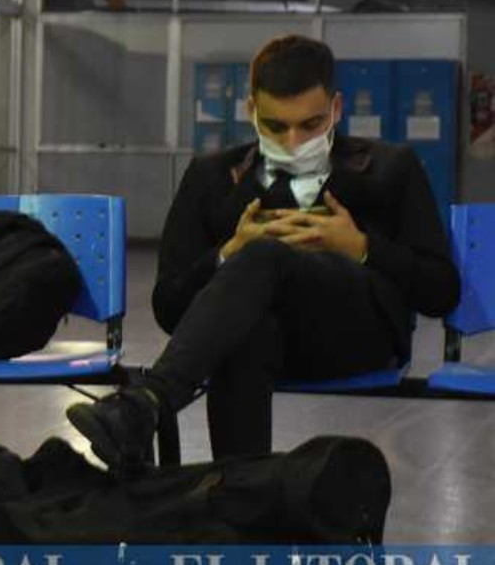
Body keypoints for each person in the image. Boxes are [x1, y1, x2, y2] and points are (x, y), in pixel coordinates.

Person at [67, 35, 460, 469]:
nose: (293, 141)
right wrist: (225, 253)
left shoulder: (391, 169)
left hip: (356, 337)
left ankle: (150, 400)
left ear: (336, 109)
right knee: (247, 327)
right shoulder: (211, 177)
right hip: (256, 341)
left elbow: (441, 291)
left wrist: (362, 247)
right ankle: (240, 501)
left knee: (264, 255)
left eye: (310, 125)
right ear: (252, 112)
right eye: (276, 126)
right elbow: (169, 306)